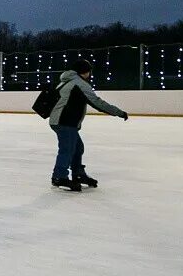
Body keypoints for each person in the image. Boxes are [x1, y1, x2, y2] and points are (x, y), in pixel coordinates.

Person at [48, 59, 128, 191]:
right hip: (65, 121)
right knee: (67, 149)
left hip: (62, 121)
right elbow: (97, 102)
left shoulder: (66, 81)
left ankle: (78, 173)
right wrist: (119, 112)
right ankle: (59, 177)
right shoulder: (79, 84)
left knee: (77, 148)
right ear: (85, 71)